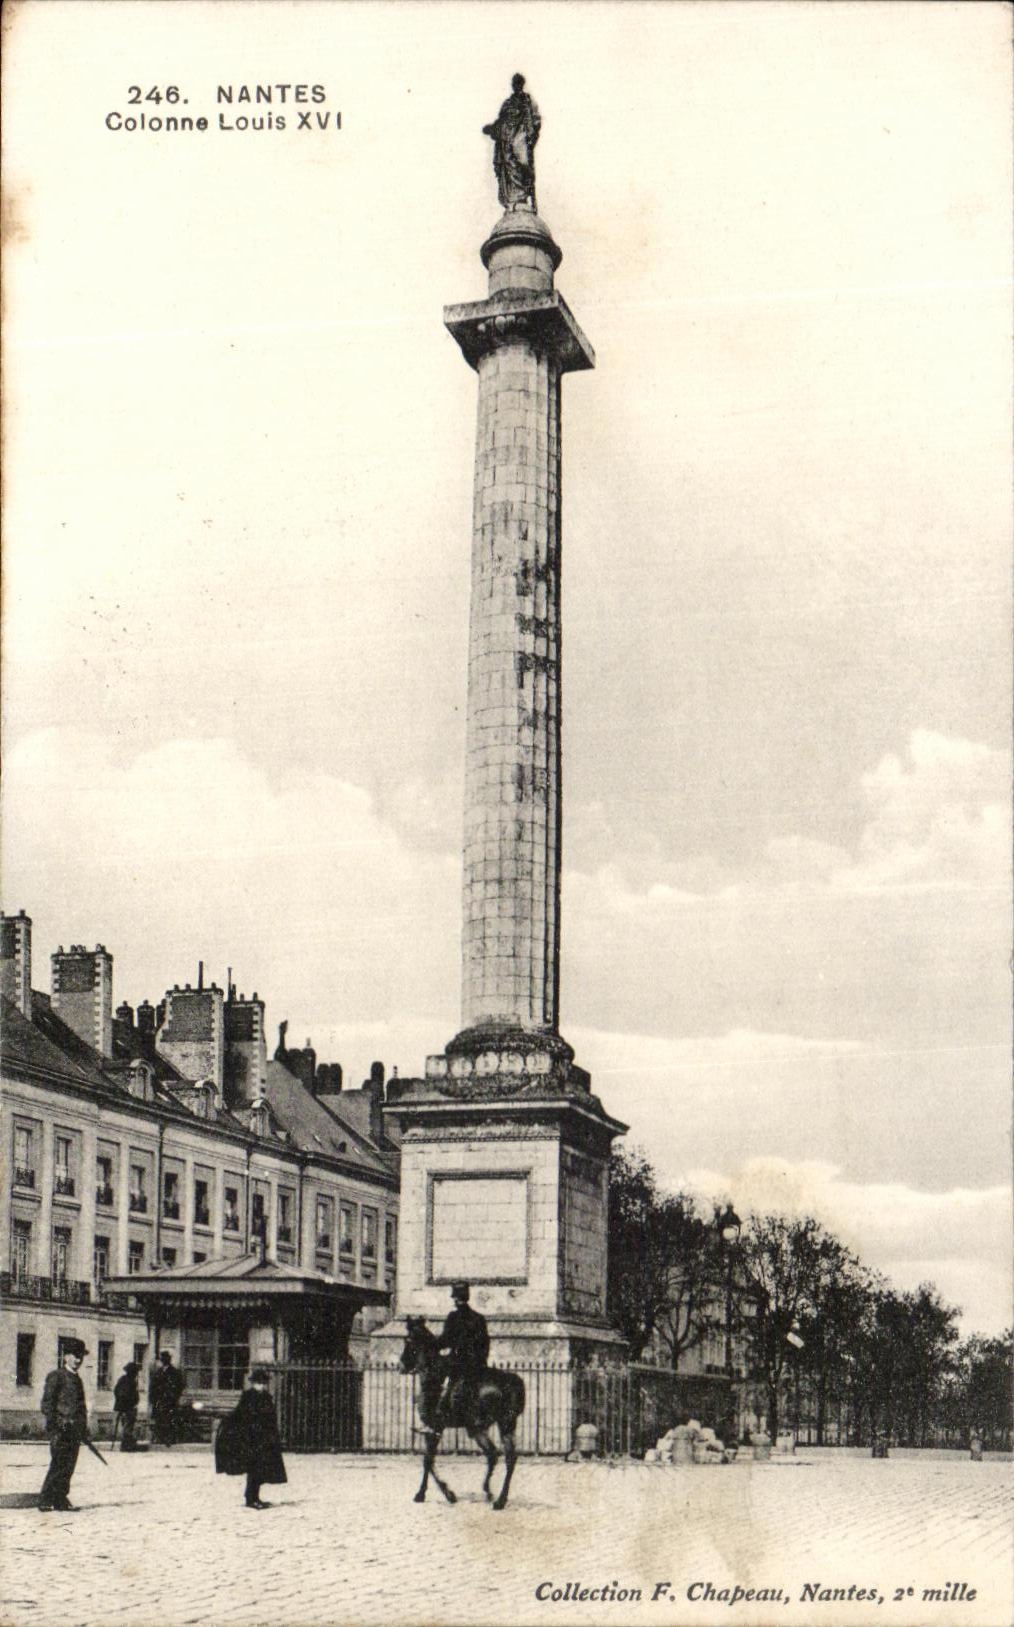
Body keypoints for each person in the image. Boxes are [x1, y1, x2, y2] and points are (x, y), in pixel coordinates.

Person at [214, 1369, 287, 1510]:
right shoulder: (248, 1396)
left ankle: (256, 1497)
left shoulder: (266, 1397)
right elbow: (240, 1415)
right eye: (258, 1383)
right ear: (253, 1383)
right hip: (251, 1439)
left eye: (263, 1383)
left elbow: (270, 1418)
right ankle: (250, 1499)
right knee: (254, 1469)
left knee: (261, 1469)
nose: (261, 1385)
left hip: (264, 1438)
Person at [38, 1337, 90, 1512]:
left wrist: (83, 1427)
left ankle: (60, 1499)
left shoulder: (77, 1379)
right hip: (59, 1430)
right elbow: (46, 1405)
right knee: (59, 1463)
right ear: (66, 1356)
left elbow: (81, 1407)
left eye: (80, 1356)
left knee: (69, 1465)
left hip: (75, 1431)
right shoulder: (56, 1376)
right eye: (75, 1356)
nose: (78, 1360)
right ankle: (45, 1499)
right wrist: (59, 1423)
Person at [483, 74, 541, 211]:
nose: (516, 86)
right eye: (514, 84)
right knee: (509, 166)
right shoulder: (507, 103)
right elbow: (500, 122)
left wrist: (531, 134)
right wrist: (491, 129)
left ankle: (523, 194)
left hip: (521, 137)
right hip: (507, 139)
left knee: (523, 163)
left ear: (522, 84)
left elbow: (536, 120)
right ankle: (514, 199)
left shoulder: (527, 101)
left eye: (518, 83)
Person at [435, 1281, 490, 1422]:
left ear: (455, 1298)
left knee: (441, 1387)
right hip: (477, 1365)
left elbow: (444, 1341)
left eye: (455, 1297)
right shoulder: (479, 1318)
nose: (454, 1300)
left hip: (457, 1364)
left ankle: (437, 1422)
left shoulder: (453, 1317)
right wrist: (481, 1361)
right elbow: (485, 1344)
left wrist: (433, 1346)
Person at [148, 1349, 185, 1445]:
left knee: (170, 1419)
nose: (163, 1360)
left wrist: (173, 1396)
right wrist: (152, 1399)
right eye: (162, 1359)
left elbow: (180, 1386)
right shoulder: (158, 1372)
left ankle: (170, 1438)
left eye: (165, 1358)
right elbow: (152, 1387)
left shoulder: (175, 1372)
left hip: (169, 1401)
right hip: (159, 1400)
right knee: (159, 1419)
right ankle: (160, 1438)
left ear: (169, 1359)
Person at [113, 1361, 140, 1449]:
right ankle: (126, 1445)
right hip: (128, 1407)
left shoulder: (122, 1379)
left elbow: (116, 1391)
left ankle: (127, 1443)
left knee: (126, 1425)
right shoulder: (130, 1382)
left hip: (123, 1406)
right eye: (135, 1372)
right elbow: (127, 1394)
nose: (136, 1374)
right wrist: (131, 1402)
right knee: (128, 1425)